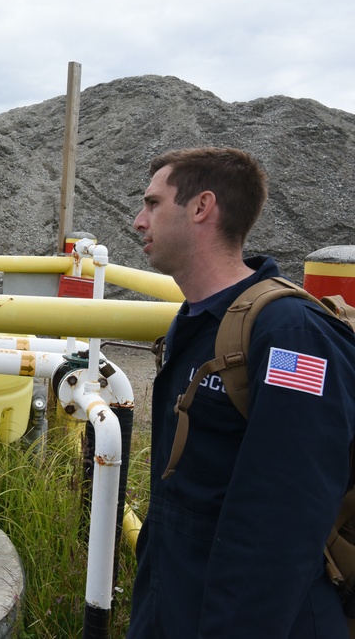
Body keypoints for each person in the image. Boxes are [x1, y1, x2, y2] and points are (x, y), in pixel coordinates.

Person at [127, 147, 355, 637]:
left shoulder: (293, 335)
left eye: (152, 204)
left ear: (201, 207)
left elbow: (284, 518)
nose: (138, 221)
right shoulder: (193, 324)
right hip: (176, 602)